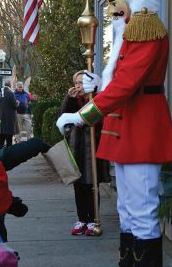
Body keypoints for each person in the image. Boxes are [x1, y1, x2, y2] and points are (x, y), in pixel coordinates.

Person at [56, 0, 172, 266]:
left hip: (140, 128)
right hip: (128, 127)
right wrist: (99, 85)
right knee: (128, 209)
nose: (111, 9)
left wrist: (82, 114)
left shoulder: (145, 28)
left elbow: (127, 85)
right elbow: (124, 81)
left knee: (140, 210)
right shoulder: (133, 31)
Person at [61, 71, 110, 236]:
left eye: (81, 83)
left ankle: (93, 219)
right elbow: (64, 116)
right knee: (78, 185)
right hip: (77, 147)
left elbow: (98, 119)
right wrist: (70, 99)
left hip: (92, 148)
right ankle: (82, 219)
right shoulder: (74, 99)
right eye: (76, 83)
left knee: (91, 185)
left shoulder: (96, 99)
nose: (78, 86)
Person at [0, 80, 19, 147]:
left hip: (0, 116)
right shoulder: (10, 92)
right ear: (10, 85)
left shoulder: (0, 92)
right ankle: (8, 152)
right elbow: (14, 105)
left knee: (1, 136)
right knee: (9, 137)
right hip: (9, 117)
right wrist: (17, 103)